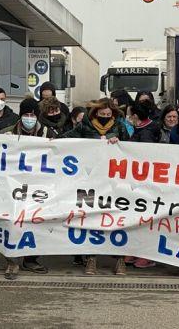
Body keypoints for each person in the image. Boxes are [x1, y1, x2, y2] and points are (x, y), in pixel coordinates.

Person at [60, 98, 129, 275]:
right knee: (91, 218)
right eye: (102, 114)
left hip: (114, 181)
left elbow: (131, 146)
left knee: (117, 218)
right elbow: (67, 139)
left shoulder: (119, 127)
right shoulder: (85, 126)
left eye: (108, 114)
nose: (105, 117)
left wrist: (119, 142)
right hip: (90, 179)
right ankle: (91, 259)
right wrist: (53, 142)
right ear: (95, 113)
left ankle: (120, 259)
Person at [4, 98, 50, 279]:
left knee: (35, 221)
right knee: (12, 222)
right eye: (25, 115)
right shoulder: (8, 134)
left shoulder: (49, 133)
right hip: (14, 188)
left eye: (32, 115)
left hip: (39, 187)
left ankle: (31, 259)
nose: (29, 118)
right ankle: (12, 261)